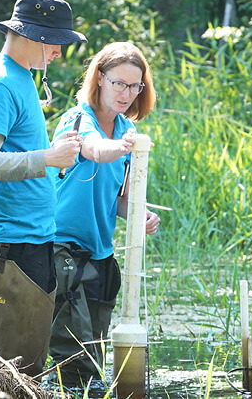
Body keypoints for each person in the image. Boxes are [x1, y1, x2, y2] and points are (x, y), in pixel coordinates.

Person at [0, 0, 86, 376]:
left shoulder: (21, 77)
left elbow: (16, 150)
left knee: (25, 364)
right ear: (33, 35)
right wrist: (48, 157)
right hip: (8, 243)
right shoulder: (1, 82)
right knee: (7, 372)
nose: (60, 53)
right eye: (58, 43)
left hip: (28, 238)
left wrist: (52, 153)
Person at [48, 42, 161, 388]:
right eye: (119, 83)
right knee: (74, 355)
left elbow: (121, 199)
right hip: (61, 250)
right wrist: (125, 146)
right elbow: (94, 150)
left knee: (93, 356)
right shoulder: (77, 119)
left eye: (135, 86)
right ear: (99, 78)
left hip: (100, 256)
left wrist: (141, 213)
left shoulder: (126, 129)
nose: (127, 93)